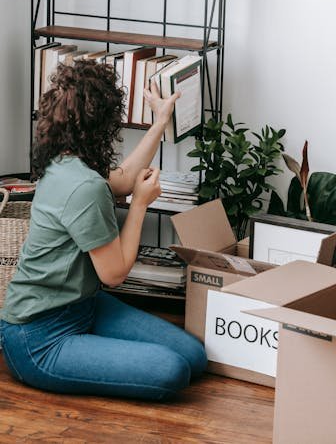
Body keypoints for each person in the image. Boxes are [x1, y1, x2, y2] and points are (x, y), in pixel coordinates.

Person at [0, 59, 207, 400]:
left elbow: (123, 180)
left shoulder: (65, 161)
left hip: (83, 306)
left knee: (194, 357)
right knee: (172, 370)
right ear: (103, 123)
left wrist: (161, 121)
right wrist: (141, 203)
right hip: (38, 339)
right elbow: (114, 274)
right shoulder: (84, 186)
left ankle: (93, 350)